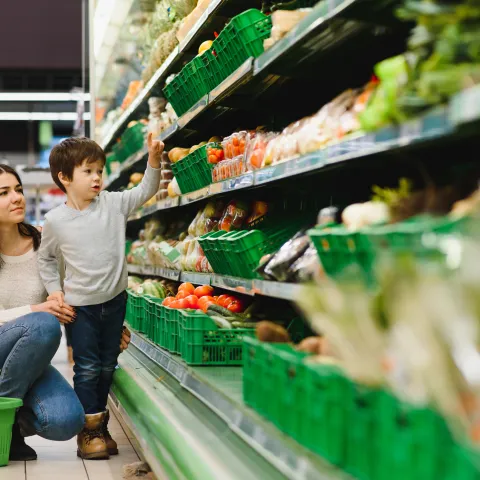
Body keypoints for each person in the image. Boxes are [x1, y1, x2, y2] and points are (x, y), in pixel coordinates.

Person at [38, 133, 163, 460]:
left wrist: (153, 160)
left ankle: (100, 425)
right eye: (88, 171)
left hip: (116, 301)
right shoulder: (55, 221)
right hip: (81, 309)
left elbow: (145, 191)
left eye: (99, 170)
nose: (97, 177)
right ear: (64, 178)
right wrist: (55, 291)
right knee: (88, 367)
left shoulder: (113, 203)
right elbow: (46, 259)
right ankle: (88, 432)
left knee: (108, 365)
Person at [0, 164, 85, 461]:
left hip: (26, 357)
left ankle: (5, 423)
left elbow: (69, 297)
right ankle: (5, 428)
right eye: (4, 193)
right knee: (43, 325)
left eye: (18, 190)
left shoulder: (43, 243)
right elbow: (42, 316)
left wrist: (108, 331)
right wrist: (37, 309)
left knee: (66, 421)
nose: (17, 198)